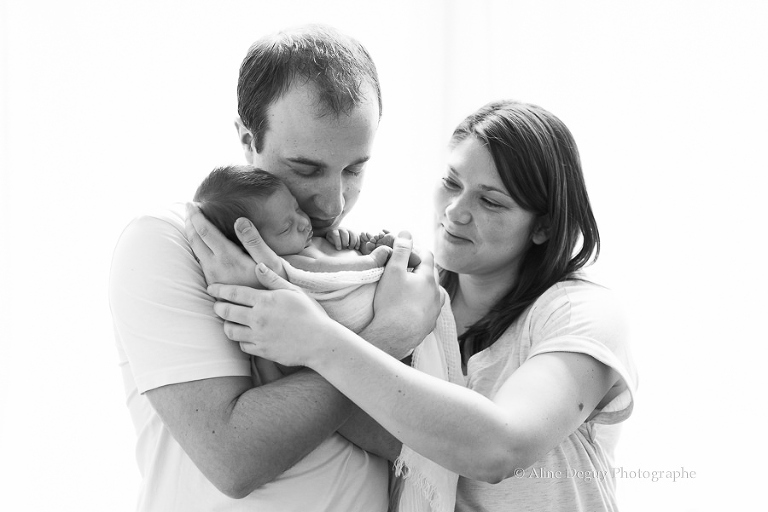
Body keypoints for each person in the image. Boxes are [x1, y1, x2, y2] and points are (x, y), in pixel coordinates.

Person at [204, 100, 639, 511]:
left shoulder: (579, 313)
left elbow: (499, 450)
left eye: (489, 201)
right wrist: (274, 279)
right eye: (452, 183)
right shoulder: (411, 297)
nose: (455, 211)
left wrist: (321, 341)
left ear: (543, 226)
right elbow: (392, 434)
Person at [109, 24, 441, 511]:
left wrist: (318, 346)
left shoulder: (350, 266)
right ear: (248, 137)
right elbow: (234, 458)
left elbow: (405, 443)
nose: (334, 202)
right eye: (306, 169)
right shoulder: (166, 243)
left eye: (354, 168)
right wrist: (389, 336)